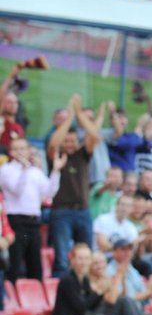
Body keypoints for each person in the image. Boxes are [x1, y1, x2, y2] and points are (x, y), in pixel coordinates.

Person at [48, 94, 102, 278]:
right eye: (67, 141)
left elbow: (94, 136)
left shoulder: (82, 155)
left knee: (87, 256)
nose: (69, 144)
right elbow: (54, 142)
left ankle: (85, 290)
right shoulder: (56, 157)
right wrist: (68, 119)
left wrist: (79, 113)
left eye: (72, 140)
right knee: (62, 258)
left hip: (82, 211)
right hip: (61, 211)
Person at [0, 138, 62, 280]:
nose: (20, 152)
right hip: (15, 221)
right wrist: (24, 170)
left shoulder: (35, 172)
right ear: (10, 152)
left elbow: (49, 192)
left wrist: (56, 171)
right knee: (14, 264)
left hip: (33, 222)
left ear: (29, 151)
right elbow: (16, 190)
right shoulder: (5, 170)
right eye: (16, 149)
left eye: (23, 148)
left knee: (35, 264)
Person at [50, 243, 135, 315]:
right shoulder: (67, 280)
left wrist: (101, 292)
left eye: (87, 258)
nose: (84, 262)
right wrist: (98, 291)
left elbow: (91, 307)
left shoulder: (84, 279)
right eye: (80, 258)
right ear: (72, 259)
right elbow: (81, 308)